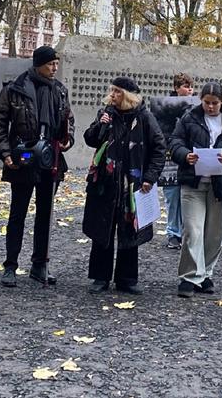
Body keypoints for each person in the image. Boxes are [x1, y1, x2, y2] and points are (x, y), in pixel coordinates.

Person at [0, 46, 74, 287]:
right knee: (17, 214)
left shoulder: (60, 90)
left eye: (56, 64)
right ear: (38, 64)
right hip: (22, 158)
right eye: (50, 64)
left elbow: (69, 120)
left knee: (45, 216)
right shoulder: (14, 89)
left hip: (52, 159)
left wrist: (68, 139)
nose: (55, 68)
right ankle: (10, 266)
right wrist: (5, 154)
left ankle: (40, 265)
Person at [82, 77, 166, 294]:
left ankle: (127, 279)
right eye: (112, 90)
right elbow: (90, 139)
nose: (113, 95)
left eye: (117, 91)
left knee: (130, 231)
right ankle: (100, 277)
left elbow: (158, 148)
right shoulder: (106, 114)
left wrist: (150, 177)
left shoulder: (145, 118)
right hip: (105, 181)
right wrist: (102, 124)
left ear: (128, 96)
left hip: (133, 182)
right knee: (103, 228)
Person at [169, 82, 222, 298]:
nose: (210, 107)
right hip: (193, 182)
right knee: (192, 230)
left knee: (214, 233)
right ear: (201, 100)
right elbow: (175, 142)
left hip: (220, 184)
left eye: (214, 103)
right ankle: (189, 276)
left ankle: (205, 273)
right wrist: (186, 155)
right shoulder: (189, 118)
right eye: (206, 103)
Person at [164, 72, 194, 250]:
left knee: (188, 195)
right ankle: (173, 232)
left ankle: (185, 231)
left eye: (190, 86)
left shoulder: (197, 107)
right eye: (185, 86)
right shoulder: (165, 107)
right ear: (176, 88)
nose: (189, 89)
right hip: (169, 158)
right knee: (172, 195)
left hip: (189, 155)